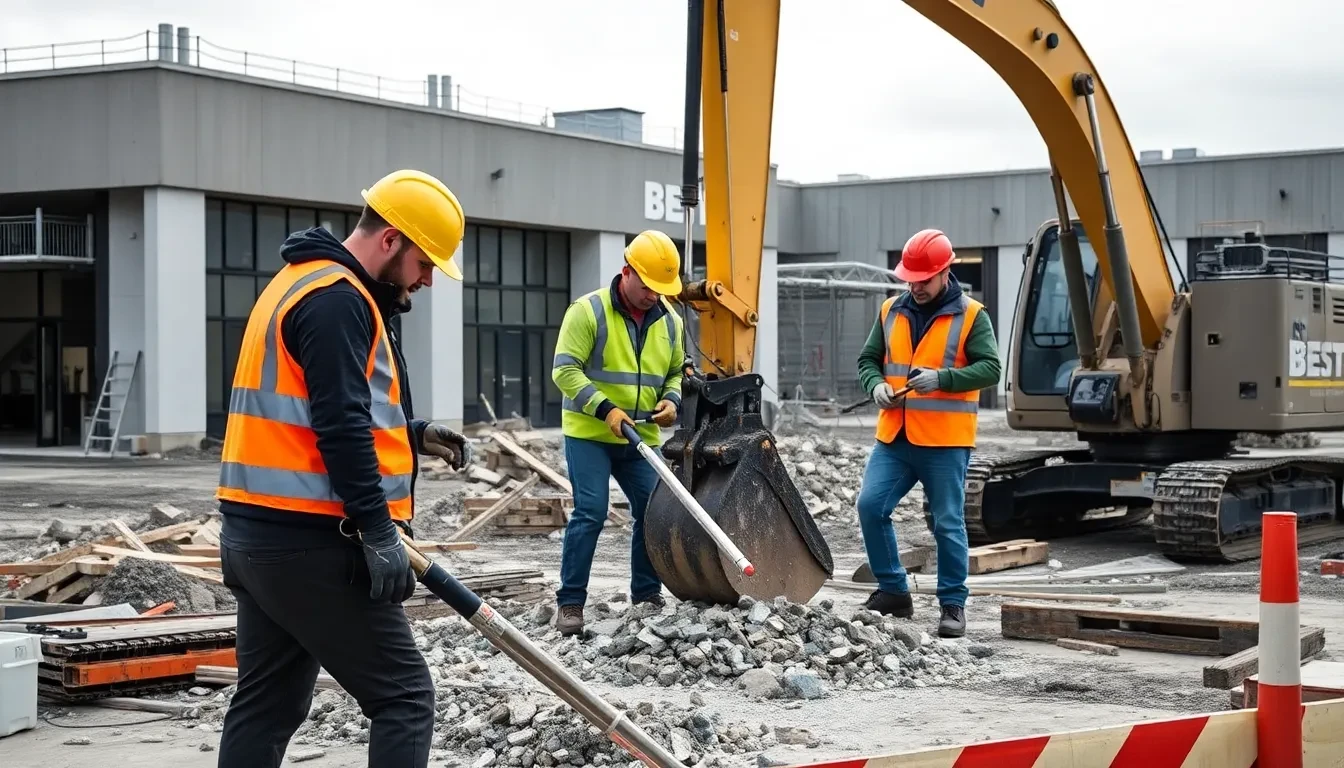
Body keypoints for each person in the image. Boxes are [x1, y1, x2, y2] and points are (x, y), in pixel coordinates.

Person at [214, 169, 474, 768]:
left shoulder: (298, 283)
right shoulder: (338, 301)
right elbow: (339, 423)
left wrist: (411, 436)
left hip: (258, 539)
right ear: (391, 241)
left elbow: (314, 415)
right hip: (311, 543)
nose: (428, 279)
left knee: (267, 704)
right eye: (426, 262)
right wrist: (379, 528)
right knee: (405, 697)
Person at [854, 228, 1001, 638]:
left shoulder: (972, 315)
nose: (915, 286)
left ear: (945, 273)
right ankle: (893, 591)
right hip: (896, 436)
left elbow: (991, 368)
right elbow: (868, 360)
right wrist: (876, 386)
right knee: (870, 506)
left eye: (924, 279)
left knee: (947, 523)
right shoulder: (889, 311)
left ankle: (952, 603)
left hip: (945, 440)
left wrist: (943, 378)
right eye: (910, 279)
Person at [550, 229, 686, 636]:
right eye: (647, 286)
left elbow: (678, 370)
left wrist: (673, 401)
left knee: (653, 511)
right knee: (590, 512)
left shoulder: (671, 321)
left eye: (661, 289)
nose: (653, 295)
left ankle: (646, 594)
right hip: (590, 433)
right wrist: (604, 408)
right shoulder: (587, 311)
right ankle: (571, 602)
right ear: (626, 272)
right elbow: (564, 370)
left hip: (641, 436)